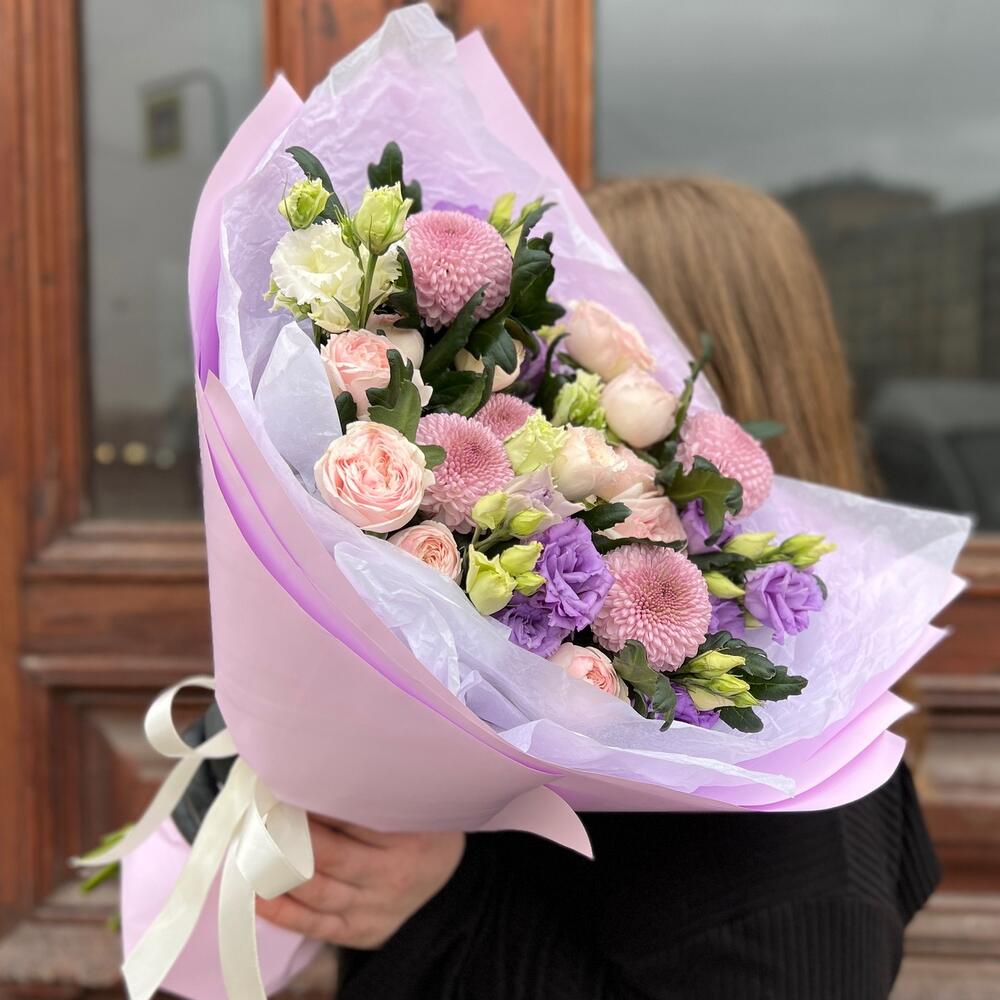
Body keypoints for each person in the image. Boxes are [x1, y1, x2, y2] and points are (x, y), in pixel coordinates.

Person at [175, 178, 937, 999]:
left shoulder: (811, 822)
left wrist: (443, 909)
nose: (520, 371)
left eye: (555, 344)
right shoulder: (546, 654)